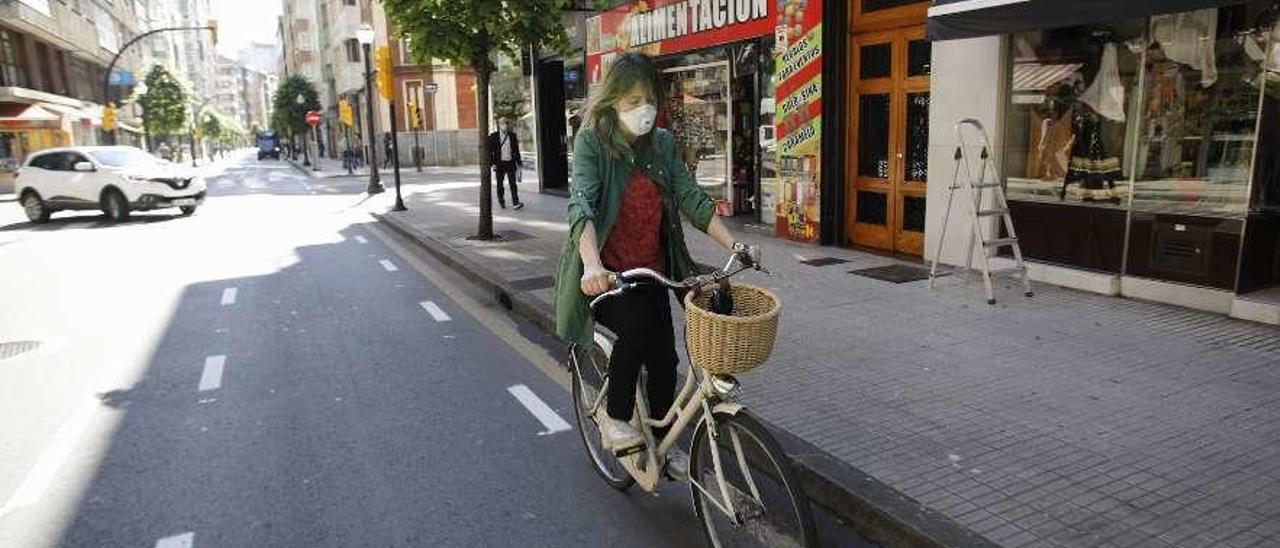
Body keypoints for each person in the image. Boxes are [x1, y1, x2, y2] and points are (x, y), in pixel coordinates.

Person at [552, 52, 757, 475]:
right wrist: (592, 266)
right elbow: (583, 208)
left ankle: (664, 444)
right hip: (607, 276)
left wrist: (736, 244)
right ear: (612, 102)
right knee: (638, 330)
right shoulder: (592, 142)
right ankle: (616, 416)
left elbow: (693, 200)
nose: (641, 109)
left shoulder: (661, 144)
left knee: (667, 360)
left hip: (654, 270)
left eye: (647, 98)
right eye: (630, 101)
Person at [487, 119, 523, 210]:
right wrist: (493, 163)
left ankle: (516, 202)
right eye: (502, 124)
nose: (505, 125)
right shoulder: (493, 136)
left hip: (510, 163)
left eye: (506, 124)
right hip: (499, 164)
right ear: (499, 125)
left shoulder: (512, 135)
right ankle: (501, 201)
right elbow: (489, 151)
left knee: (513, 184)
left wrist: (519, 162)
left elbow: (516, 150)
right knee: (500, 184)